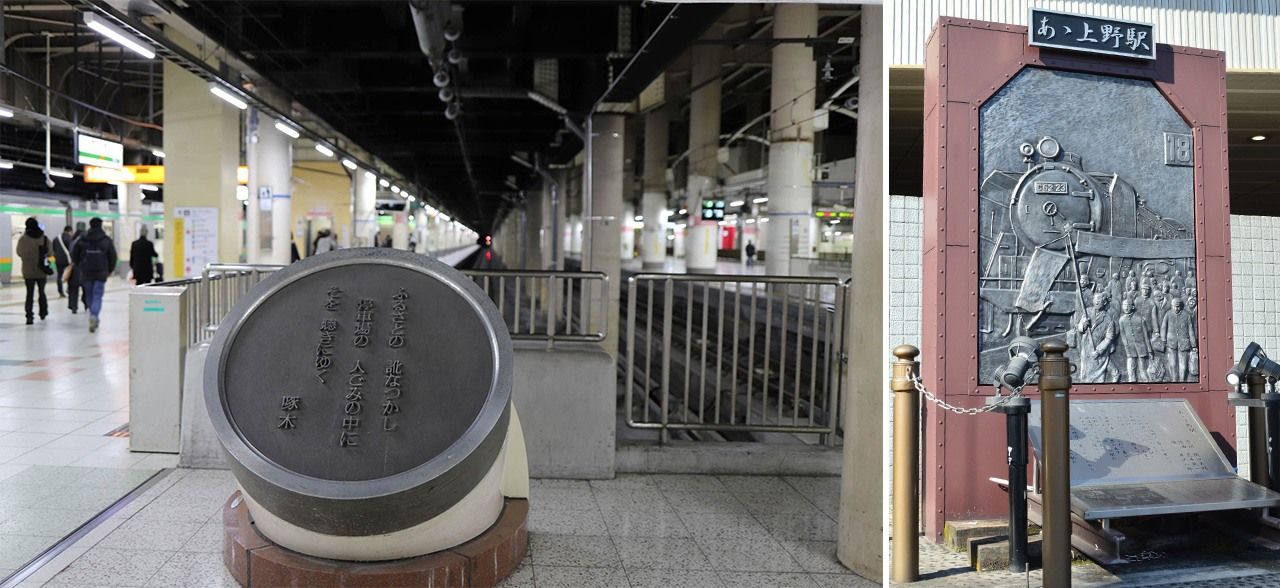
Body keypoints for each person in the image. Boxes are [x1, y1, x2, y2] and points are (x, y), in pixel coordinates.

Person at [70, 217, 117, 333]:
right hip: (101, 272)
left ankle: (92, 313)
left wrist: (79, 265)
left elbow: (74, 254)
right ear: (100, 225)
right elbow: (113, 257)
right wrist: (109, 270)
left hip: (86, 272)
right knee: (97, 295)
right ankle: (94, 315)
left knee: (89, 294)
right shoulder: (106, 240)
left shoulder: (82, 239)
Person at [15, 218, 52, 325]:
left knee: (29, 294)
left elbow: (19, 252)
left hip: (28, 271)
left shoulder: (22, 239)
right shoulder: (44, 238)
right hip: (42, 270)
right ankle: (43, 312)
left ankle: (29, 316)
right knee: (42, 292)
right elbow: (50, 252)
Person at [51, 225, 72, 298]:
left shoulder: (56, 238)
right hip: (68, 260)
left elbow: (53, 249)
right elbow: (71, 250)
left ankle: (60, 292)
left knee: (59, 276)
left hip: (58, 261)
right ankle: (69, 290)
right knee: (70, 275)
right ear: (70, 231)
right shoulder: (69, 239)